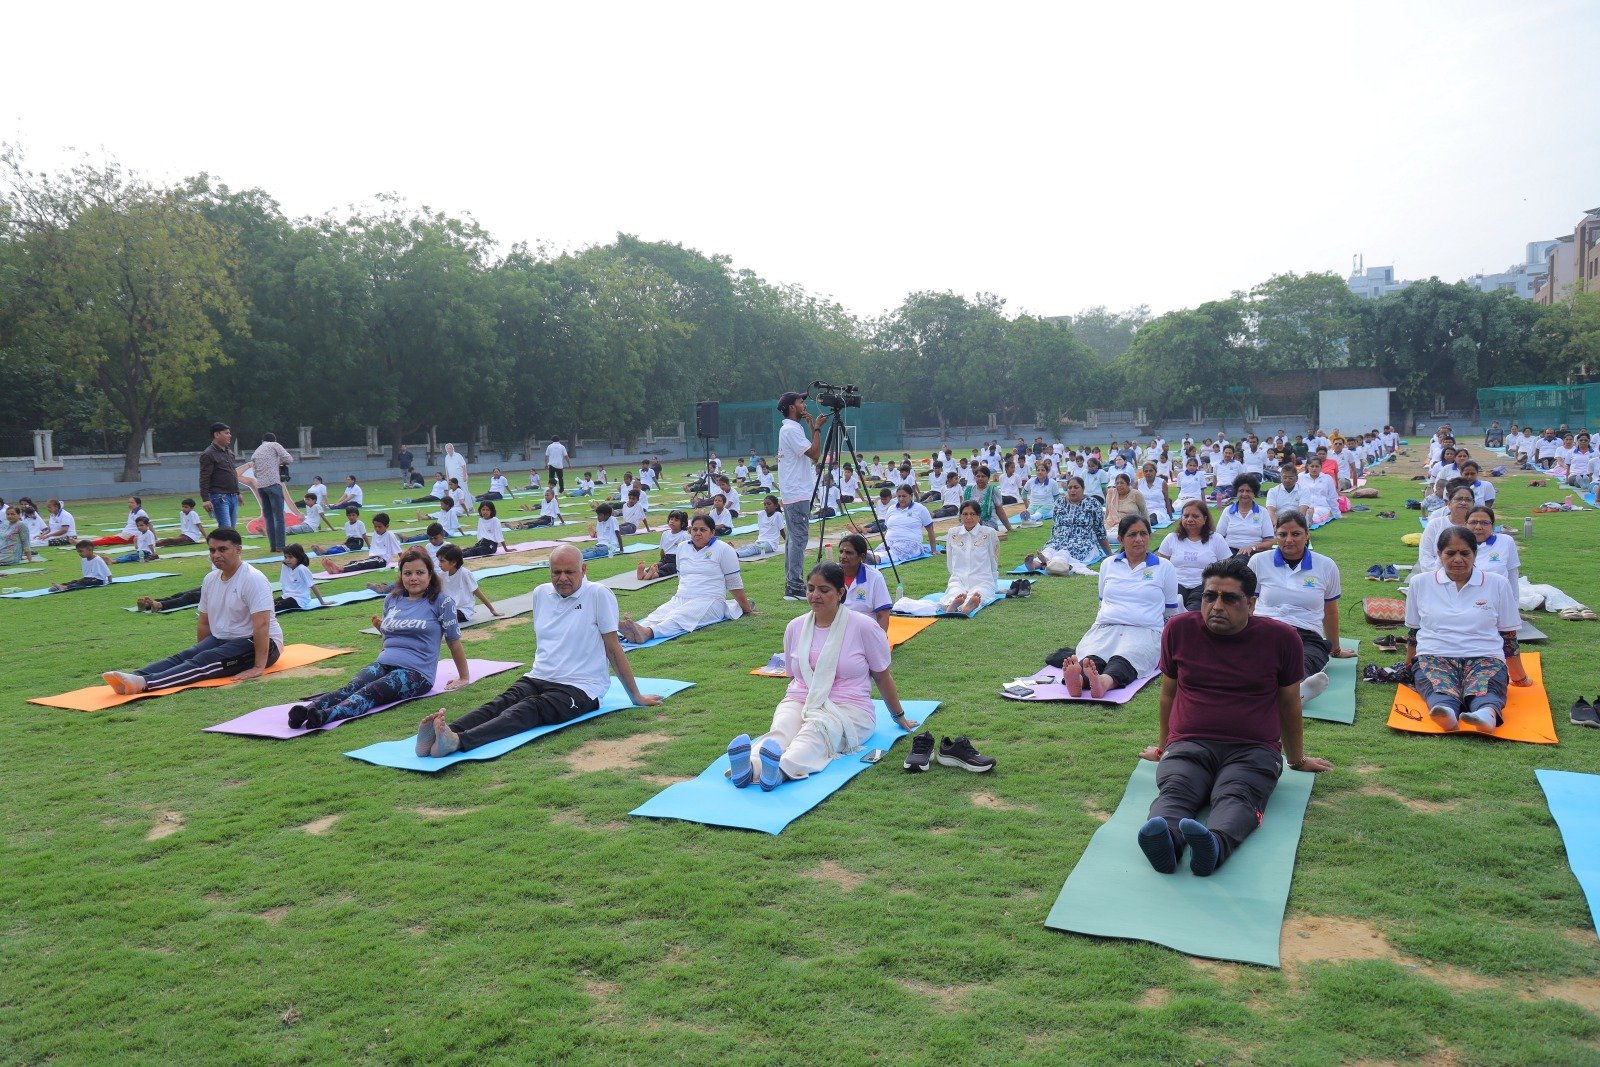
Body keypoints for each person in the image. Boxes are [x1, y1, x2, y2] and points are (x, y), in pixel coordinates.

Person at [1134, 557, 1332, 877]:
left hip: (1253, 748)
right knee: (1176, 789)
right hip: (1189, 742)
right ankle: (1167, 842)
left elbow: (1289, 704)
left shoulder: (1281, 639)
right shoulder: (1178, 630)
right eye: (1210, 596)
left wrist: (1296, 759)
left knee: (1237, 793)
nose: (1216, 606)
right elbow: (1168, 693)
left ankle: (1215, 845)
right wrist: (1163, 746)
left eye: (1230, 598)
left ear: (1251, 604)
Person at [420, 545, 662, 756]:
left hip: (581, 687)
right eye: (556, 572)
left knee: (528, 709)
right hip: (539, 676)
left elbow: (613, 648)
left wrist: (636, 697)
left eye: (570, 572)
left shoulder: (598, 594)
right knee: (500, 703)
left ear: (584, 570)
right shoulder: (541, 593)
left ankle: (459, 741)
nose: (562, 578)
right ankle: (444, 733)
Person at [725, 561, 918, 790]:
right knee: (783, 728)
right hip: (802, 698)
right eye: (810, 589)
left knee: (815, 732)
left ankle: (779, 772)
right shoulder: (795, 627)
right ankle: (749, 768)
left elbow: (882, 676)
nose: (815, 595)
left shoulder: (864, 626)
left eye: (824, 590)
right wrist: (799, 703)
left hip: (849, 707)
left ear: (840, 593)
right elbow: (794, 677)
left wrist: (898, 715)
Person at [288, 548, 472, 729]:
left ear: (430, 574)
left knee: (370, 692)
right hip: (384, 662)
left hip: (417, 672)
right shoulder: (392, 599)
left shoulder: (442, 602)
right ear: (401, 575)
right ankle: (306, 711)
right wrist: (381, 630)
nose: (413, 578)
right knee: (352, 687)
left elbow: (453, 642)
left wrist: (463, 677)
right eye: (407, 573)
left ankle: (324, 716)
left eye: (419, 572)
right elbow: (389, 636)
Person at [102, 528, 284, 694]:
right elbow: (204, 621)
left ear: (238, 550)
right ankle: (133, 675)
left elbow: (262, 624)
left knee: (204, 660)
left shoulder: (253, 579)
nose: (216, 555)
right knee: (186, 656)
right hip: (223, 639)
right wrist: (200, 650)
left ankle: (144, 683)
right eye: (212, 550)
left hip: (259, 643)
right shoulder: (211, 579)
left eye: (222, 549)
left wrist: (259, 667)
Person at [1404, 525, 1530, 733]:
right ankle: (1445, 713)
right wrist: (1408, 666)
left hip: (1484, 656)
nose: (1458, 559)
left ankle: (1485, 715)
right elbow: (1414, 632)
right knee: (1437, 687)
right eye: (1450, 553)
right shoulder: (1420, 583)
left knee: (1486, 686)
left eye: (1465, 553)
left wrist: (1520, 677)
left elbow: (1508, 636)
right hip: (1434, 655)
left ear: (1475, 554)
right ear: (1439, 554)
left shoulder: (1497, 583)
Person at [1058, 515, 1181, 698]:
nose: (1139, 539)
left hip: (1146, 630)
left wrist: (1165, 642)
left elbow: (1171, 611)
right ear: (1121, 539)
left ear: (1150, 536)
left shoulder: (1164, 567)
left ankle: (1104, 682)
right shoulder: (1108, 564)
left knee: (1127, 656)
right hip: (1107, 626)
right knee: (1094, 655)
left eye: (1143, 534)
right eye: (1132, 534)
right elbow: (1102, 602)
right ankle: (1081, 681)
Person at [1248, 511, 1353, 704]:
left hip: (1307, 635)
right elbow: (1248, 604)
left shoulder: (1326, 566)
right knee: (1259, 658)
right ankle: (1286, 694)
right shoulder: (1258, 561)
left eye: (1296, 534)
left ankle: (1297, 690)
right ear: (1275, 535)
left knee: (1306, 660)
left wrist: (1335, 648)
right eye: (1282, 534)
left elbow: (1330, 611)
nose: (1289, 540)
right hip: (1265, 629)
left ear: (1307, 535)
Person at [617, 515, 757, 644]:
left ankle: (648, 633)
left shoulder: (724, 549)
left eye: (703, 530)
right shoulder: (683, 547)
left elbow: (734, 583)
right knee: (661, 612)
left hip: (710, 600)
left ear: (712, 532)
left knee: (680, 616)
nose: (698, 533)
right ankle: (629, 631)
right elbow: (681, 575)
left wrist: (746, 609)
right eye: (694, 529)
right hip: (681, 597)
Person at [778, 390, 828, 601]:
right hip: (797, 492)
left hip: (794, 491)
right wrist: (816, 427)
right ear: (791, 407)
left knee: (793, 538)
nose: (804, 405)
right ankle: (795, 585)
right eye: (800, 402)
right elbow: (816, 454)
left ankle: (792, 583)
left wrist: (811, 428)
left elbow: (812, 457)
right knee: (798, 539)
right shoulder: (791, 430)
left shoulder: (793, 429)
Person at [1023, 476, 1110, 576]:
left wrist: (1109, 554)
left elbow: (1100, 531)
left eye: (1076, 487)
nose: (1072, 490)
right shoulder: (1059, 503)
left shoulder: (1093, 504)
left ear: (1083, 489)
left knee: (1064, 553)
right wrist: (1052, 541)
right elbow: (1055, 527)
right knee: (1050, 549)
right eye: (1070, 488)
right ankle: (1035, 564)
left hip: (1083, 542)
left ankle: (1051, 563)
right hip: (1059, 540)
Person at [1158, 500, 1231, 611]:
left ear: (1205, 519)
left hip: (1204, 585)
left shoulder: (1216, 539)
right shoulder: (1171, 538)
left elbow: (1227, 568)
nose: (1190, 520)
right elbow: (1160, 566)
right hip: (1176, 583)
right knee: (1173, 606)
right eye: (1186, 516)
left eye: (1195, 516)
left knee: (1193, 610)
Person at [940, 501, 1000, 614]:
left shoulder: (989, 533)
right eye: (965, 514)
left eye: (972, 514)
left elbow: (994, 559)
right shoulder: (953, 533)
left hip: (983, 580)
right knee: (954, 593)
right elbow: (950, 559)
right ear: (960, 516)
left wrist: (994, 582)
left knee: (978, 595)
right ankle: (953, 605)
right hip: (959, 579)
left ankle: (967, 606)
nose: (968, 517)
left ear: (978, 516)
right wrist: (955, 576)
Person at [1416, 479, 1478, 576]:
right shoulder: (1435, 524)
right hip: (1436, 576)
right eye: (1459, 499)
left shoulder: (1477, 527)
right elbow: (1425, 554)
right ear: (1449, 504)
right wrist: (1437, 576)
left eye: (1468, 500)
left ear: (1473, 504)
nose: (1463, 502)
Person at [867, 485, 938, 564]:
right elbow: (887, 529)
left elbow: (930, 529)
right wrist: (883, 543)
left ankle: (878, 558)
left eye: (904, 496)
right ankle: (871, 556)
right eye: (899, 496)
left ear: (911, 496)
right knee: (878, 550)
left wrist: (934, 550)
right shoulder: (891, 509)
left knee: (897, 552)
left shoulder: (920, 509)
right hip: (890, 542)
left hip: (910, 543)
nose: (901, 499)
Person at [836, 533, 891, 630]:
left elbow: (883, 614)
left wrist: (881, 640)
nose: (843, 556)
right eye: (841, 552)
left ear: (862, 557)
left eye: (849, 553)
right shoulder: (830, 574)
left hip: (865, 631)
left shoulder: (874, 577)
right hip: (836, 630)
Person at [251, 432, 295, 553]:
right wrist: (279, 463)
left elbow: (255, 473)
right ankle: (281, 546)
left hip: (261, 486)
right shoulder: (274, 445)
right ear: (273, 440)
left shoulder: (256, 452)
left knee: (269, 517)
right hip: (273, 484)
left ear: (262, 441)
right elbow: (289, 459)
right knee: (279, 517)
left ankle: (273, 546)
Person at [436, 543, 502, 621]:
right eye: (439, 561)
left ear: (453, 562)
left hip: (463, 611)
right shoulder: (441, 574)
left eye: (442, 561)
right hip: (448, 608)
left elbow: (477, 592)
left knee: (444, 617)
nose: (439, 564)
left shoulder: (465, 573)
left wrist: (492, 610)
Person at [319, 512, 401, 575]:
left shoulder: (390, 535)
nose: (377, 529)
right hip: (375, 558)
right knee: (355, 562)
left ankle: (340, 569)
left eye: (379, 527)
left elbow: (399, 551)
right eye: (375, 526)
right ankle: (335, 569)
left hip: (382, 561)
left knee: (361, 564)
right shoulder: (376, 533)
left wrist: (403, 564)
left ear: (387, 526)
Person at [1215, 475, 1275, 556]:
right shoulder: (1227, 511)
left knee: (1239, 563)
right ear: (1236, 493)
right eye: (1241, 491)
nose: (1244, 494)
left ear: (1254, 494)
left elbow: (1269, 541)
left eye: (1248, 491)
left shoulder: (1263, 512)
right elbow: (1219, 537)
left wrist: (1253, 547)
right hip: (1229, 551)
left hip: (1254, 552)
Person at [199, 422, 240, 529]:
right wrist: (205, 499)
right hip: (219, 496)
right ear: (217, 435)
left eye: (229, 433)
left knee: (232, 529)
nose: (229, 435)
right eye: (226, 433)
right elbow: (204, 477)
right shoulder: (208, 454)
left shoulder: (229, 452)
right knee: (226, 528)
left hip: (233, 495)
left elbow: (233, 473)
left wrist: (238, 492)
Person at [1467, 505, 1520, 589]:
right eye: (1473, 522)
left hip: (1498, 597)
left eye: (1484, 523)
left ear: (1493, 525)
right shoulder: (1456, 544)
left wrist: (1514, 601)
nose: (1478, 527)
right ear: (1465, 524)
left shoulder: (1506, 541)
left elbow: (1512, 575)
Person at [275, 544, 331, 613]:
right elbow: (285, 584)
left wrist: (322, 602)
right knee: (269, 604)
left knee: (275, 607)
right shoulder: (285, 567)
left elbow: (312, 586)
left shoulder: (302, 569)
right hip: (287, 596)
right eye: (285, 557)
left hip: (300, 599)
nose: (287, 560)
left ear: (298, 557)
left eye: (290, 557)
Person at [638, 510, 691, 579]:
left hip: (677, 559)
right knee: (657, 565)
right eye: (671, 519)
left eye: (676, 520)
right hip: (666, 558)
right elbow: (662, 550)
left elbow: (689, 550)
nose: (672, 521)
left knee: (667, 568)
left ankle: (653, 575)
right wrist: (661, 560)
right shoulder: (665, 533)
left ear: (683, 524)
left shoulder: (685, 535)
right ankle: (643, 573)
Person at [962, 465, 1013, 533]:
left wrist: (1009, 527)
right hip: (970, 521)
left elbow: (1000, 511)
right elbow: (963, 510)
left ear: (988, 478)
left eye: (983, 476)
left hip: (988, 523)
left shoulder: (993, 490)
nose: (980, 478)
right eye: (978, 476)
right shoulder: (968, 490)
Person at [1103, 473, 1147, 543]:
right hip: (1110, 524)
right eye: (1117, 483)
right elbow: (1107, 512)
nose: (1119, 485)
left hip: (1129, 525)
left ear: (1128, 484)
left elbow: (1144, 512)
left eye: (1122, 483)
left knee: (1117, 536)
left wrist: (1147, 530)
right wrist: (1104, 525)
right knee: (1100, 534)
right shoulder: (1111, 494)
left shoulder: (1136, 494)